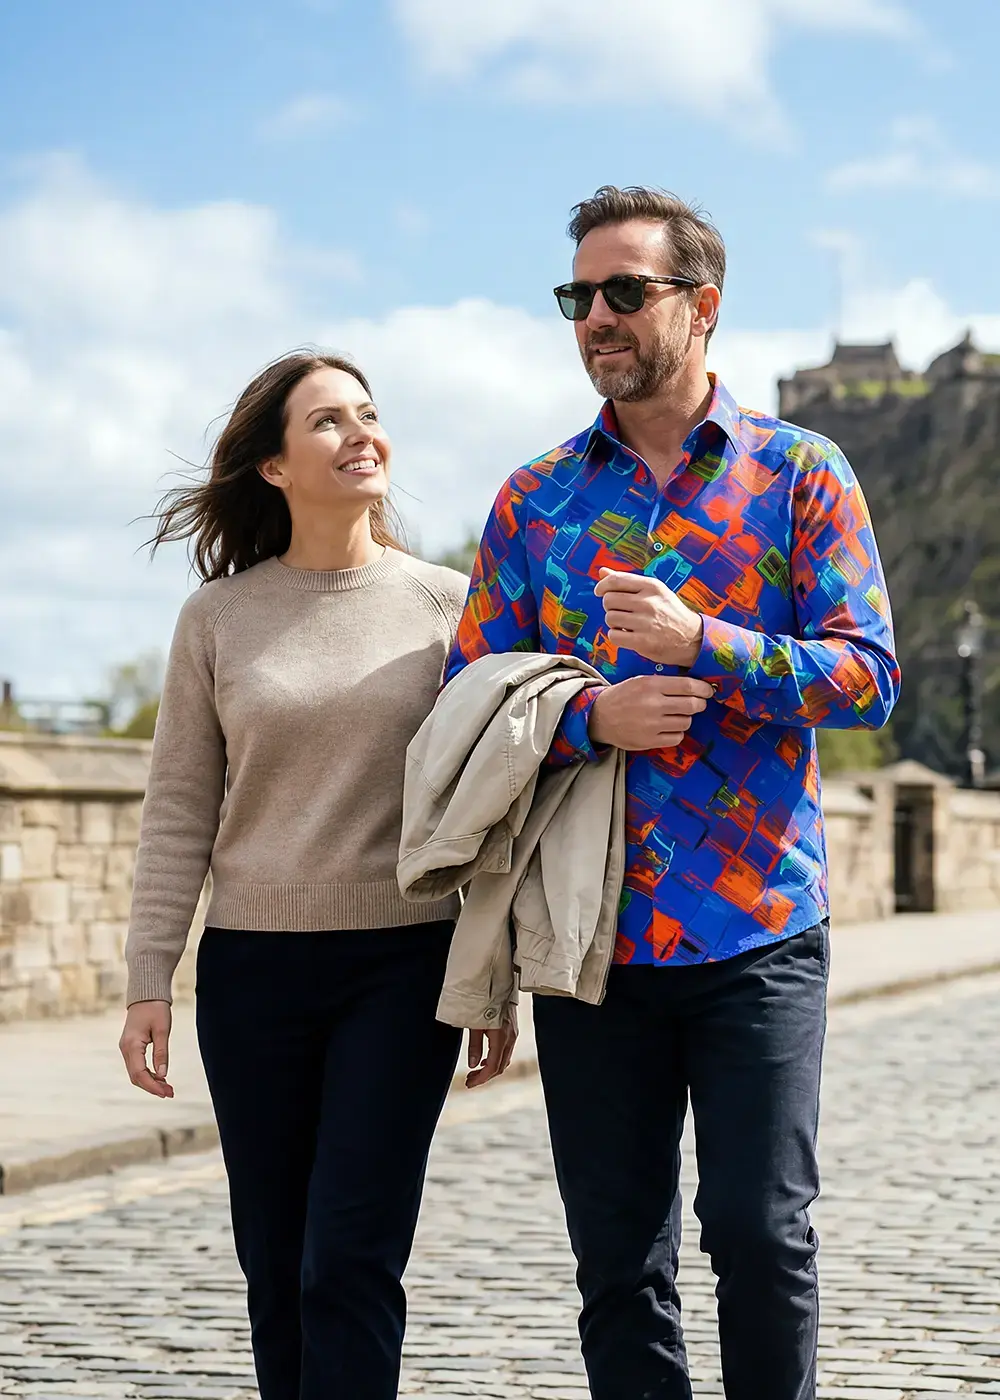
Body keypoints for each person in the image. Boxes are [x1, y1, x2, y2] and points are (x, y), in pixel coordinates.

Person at [445, 186, 900, 1400]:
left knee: (760, 1233)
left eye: (622, 291)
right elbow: (467, 702)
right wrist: (589, 716)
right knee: (616, 1259)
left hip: (757, 927)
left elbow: (867, 677)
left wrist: (711, 644)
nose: (595, 316)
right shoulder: (533, 499)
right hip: (592, 938)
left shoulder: (802, 472)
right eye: (577, 296)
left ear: (700, 306)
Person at [118, 350, 517, 1400]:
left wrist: (492, 970)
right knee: (275, 1262)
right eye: (329, 421)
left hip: (402, 965)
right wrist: (148, 976)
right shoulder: (216, 617)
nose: (361, 435)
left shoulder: (448, 606)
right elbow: (178, 810)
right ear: (274, 466)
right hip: (251, 973)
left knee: (348, 1256)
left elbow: (489, 806)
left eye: (369, 415)